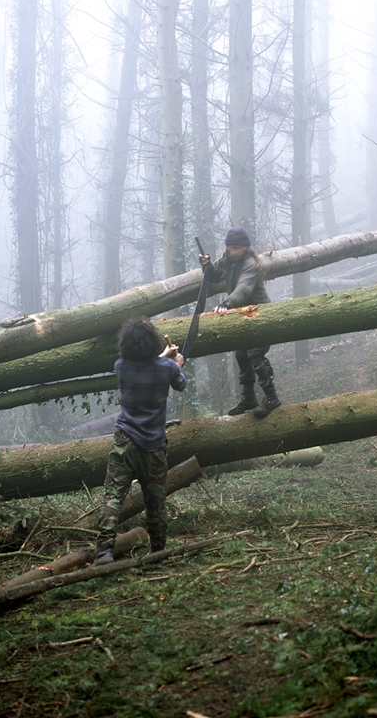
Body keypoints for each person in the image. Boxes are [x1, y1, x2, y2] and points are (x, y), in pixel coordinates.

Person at [91, 316, 186, 567]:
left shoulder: (121, 366)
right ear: (153, 341)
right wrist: (176, 362)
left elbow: (146, 365)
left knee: (113, 497)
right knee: (155, 501)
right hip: (154, 446)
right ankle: (157, 551)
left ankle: (103, 552)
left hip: (124, 442)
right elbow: (180, 383)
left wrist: (165, 359)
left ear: (127, 344)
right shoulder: (167, 368)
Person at [199, 226, 280, 419]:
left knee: (255, 355)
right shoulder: (228, 259)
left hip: (261, 315)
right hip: (243, 317)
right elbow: (214, 277)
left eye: (235, 248)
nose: (232, 252)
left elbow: (243, 289)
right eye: (230, 248)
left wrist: (227, 303)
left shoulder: (251, 264)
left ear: (245, 247)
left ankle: (271, 397)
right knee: (241, 355)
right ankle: (249, 398)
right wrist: (206, 265)